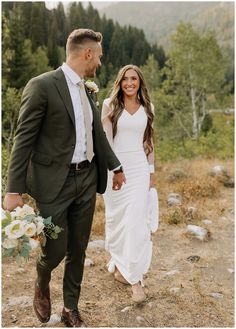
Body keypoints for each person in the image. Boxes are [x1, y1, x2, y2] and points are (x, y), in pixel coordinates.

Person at [3, 28, 126, 327]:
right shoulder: (42, 86)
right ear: (87, 54)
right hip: (53, 183)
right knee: (55, 249)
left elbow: (96, 134)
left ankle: (71, 307)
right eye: (97, 56)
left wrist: (115, 166)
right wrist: (13, 189)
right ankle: (42, 279)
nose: (99, 62)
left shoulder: (87, 90)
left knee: (78, 248)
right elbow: (23, 139)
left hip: (86, 179)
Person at [101, 64, 155, 303]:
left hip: (140, 169)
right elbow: (106, 142)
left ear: (140, 82)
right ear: (120, 82)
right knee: (119, 221)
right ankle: (121, 265)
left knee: (136, 223)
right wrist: (115, 170)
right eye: (125, 79)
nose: (130, 83)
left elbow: (149, 142)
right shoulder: (110, 106)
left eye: (134, 79)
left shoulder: (148, 108)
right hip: (116, 170)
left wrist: (151, 172)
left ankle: (135, 281)